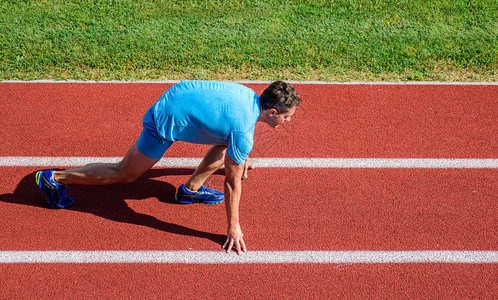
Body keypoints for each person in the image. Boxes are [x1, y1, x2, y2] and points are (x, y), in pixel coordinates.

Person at [35, 80, 301, 254]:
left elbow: (230, 130)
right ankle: (55, 177)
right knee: (125, 173)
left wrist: (240, 158)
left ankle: (190, 190)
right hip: (164, 119)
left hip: (178, 95)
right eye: (288, 117)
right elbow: (232, 182)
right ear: (272, 112)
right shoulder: (243, 132)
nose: (288, 122)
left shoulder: (248, 96)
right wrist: (234, 226)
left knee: (226, 143)